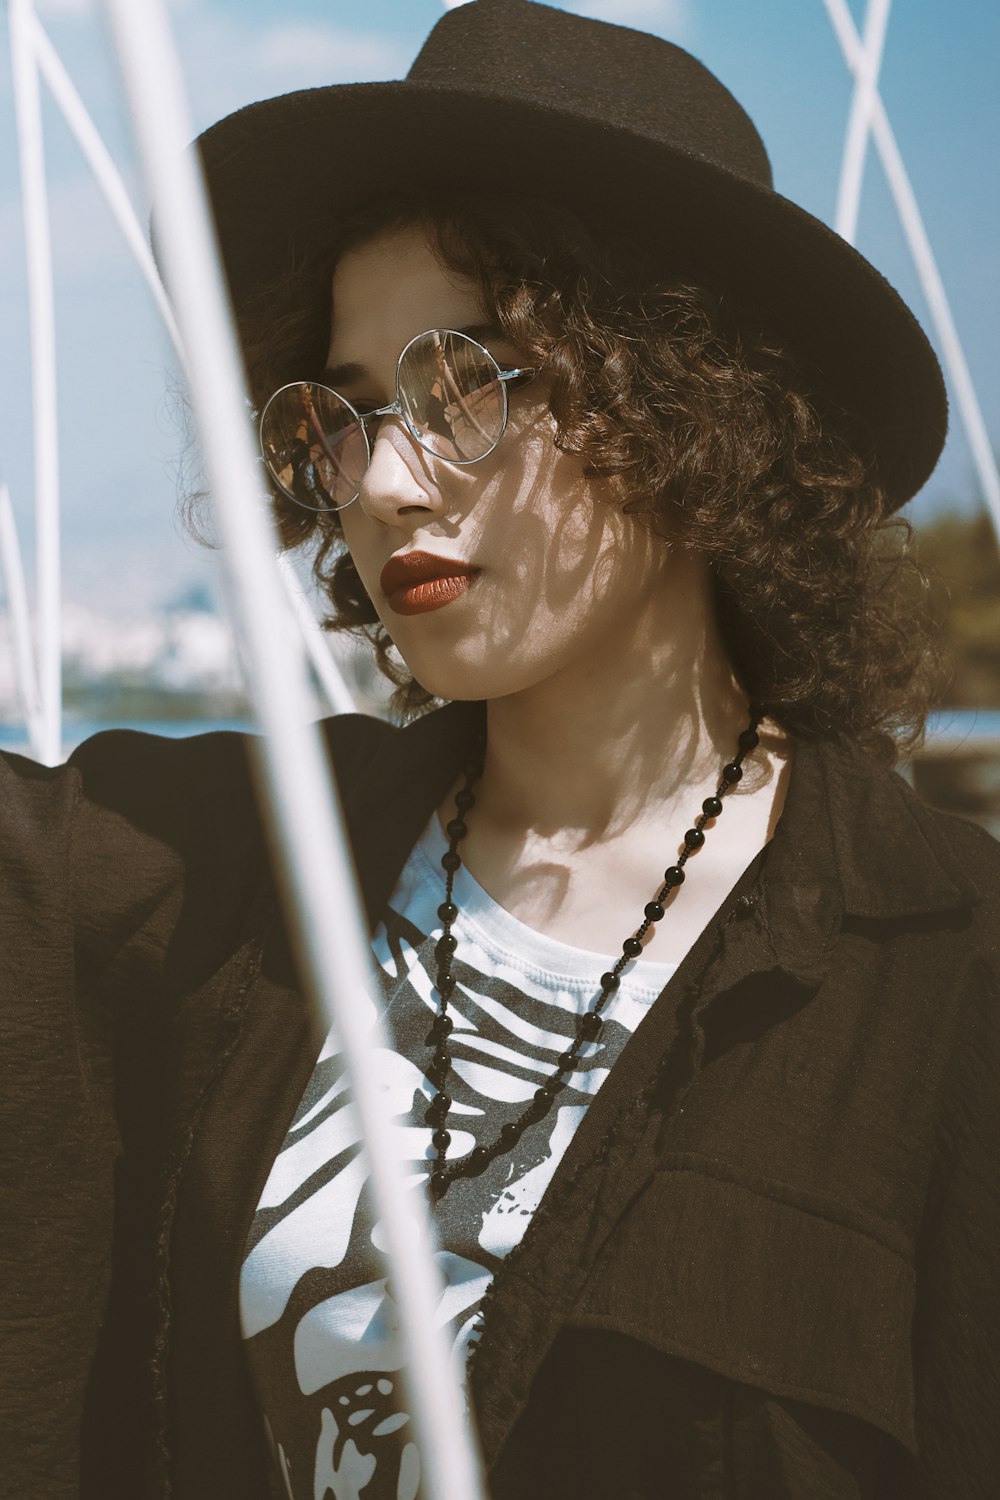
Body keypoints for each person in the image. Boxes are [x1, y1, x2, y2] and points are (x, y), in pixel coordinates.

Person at [2, 2, 998, 1498]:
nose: (388, 480)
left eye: (465, 383)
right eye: (349, 411)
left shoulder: (945, 976)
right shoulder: (227, 867)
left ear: (689, 403)